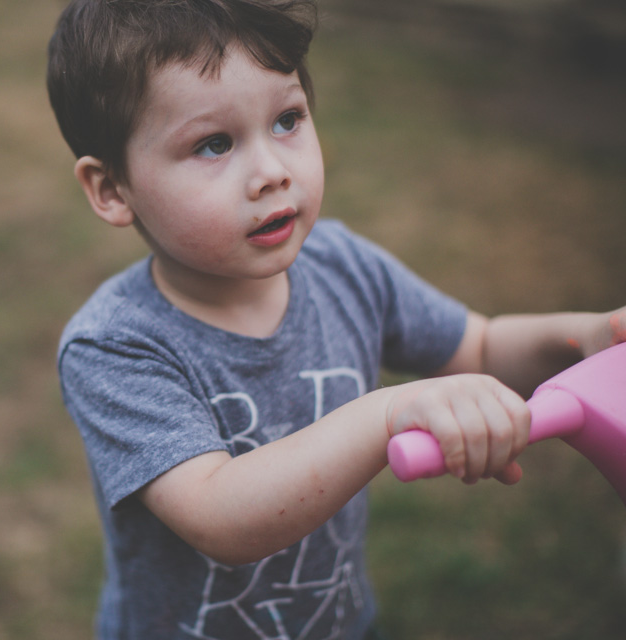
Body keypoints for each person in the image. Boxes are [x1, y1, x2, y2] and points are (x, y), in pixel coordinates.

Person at [47, 1, 626, 638]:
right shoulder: (115, 346)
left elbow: (482, 346)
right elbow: (221, 516)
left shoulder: (343, 265)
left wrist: (589, 338)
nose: (272, 172)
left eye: (288, 119)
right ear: (111, 189)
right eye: (213, 144)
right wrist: (383, 415)